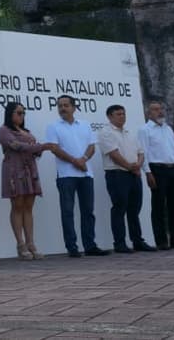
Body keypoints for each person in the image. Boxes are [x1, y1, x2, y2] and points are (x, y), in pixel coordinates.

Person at [45, 95, 109, 257]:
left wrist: (83, 160)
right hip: (66, 175)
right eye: (60, 106)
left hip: (86, 173)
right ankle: (72, 247)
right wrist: (75, 161)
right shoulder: (53, 127)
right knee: (67, 211)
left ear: (74, 107)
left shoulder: (85, 125)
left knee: (88, 211)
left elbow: (91, 146)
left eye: (66, 105)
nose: (62, 108)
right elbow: (54, 148)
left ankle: (90, 245)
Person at [97, 104, 157, 254]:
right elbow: (113, 154)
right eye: (118, 114)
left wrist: (137, 165)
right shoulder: (106, 132)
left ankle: (137, 240)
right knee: (119, 208)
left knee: (134, 209)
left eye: (123, 114)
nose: (122, 116)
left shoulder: (129, 132)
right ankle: (120, 243)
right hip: (117, 174)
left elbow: (141, 152)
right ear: (110, 117)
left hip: (133, 174)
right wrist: (130, 167)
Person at [0, 102, 52, 260]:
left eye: (23, 113)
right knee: (18, 205)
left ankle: (31, 243)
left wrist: (39, 148)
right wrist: (40, 147)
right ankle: (20, 244)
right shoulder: (4, 130)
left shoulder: (26, 131)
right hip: (14, 171)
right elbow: (16, 146)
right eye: (18, 113)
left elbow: (33, 148)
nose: (21, 116)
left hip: (30, 170)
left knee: (28, 207)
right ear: (10, 114)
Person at [138, 101, 174, 250]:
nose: (160, 112)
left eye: (161, 109)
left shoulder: (168, 129)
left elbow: (173, 151)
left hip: (172, 169)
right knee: (158, 206)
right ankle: (161, 241)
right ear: (148, 113)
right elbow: (143, 152)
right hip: (157, 169)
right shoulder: (145, 130)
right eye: (155, 110)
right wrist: (148, 172)